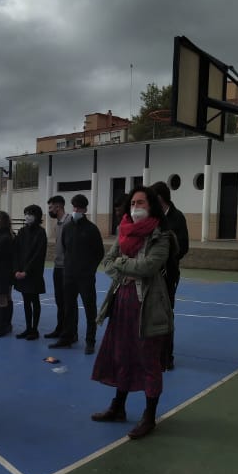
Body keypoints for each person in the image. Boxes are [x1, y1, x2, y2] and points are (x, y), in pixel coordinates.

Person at [89, 186, 175, 440]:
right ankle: (118, 407)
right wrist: (124, 267)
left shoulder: (162, 235)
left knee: (149, 361)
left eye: (141, 202)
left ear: (151, 205)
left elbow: (148, 267)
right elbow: (107, 261)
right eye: (133, 203)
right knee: (121, 356)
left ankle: (149, 416)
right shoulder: (124, 230)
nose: (135, 207)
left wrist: (122, 264)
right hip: (122, 301)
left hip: (147, 305)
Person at [49, 194, 105, 354]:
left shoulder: (92, 229)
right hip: (69, 276)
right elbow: (65, 248)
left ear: (85, 209)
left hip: (85, 277)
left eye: (79, 208)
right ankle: (67, 337)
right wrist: (68, 268)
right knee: (68, 308)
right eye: (74, 207)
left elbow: (99, 253)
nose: (76, 210)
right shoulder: (67, 228)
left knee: (89, 309)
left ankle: (90, 341)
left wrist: (90, 270)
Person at [148, 183, 188, 370]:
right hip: (151, 274)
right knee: (150, 314)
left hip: (168, 275)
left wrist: (166, 258)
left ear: (160, 198)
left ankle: (167, 356)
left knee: (166, 314)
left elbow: (184, 247)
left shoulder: (177, 217)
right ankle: (151, 353)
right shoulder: (152, 217)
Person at [12, 205, 47, 340]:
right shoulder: (22, 231)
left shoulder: (41, 233)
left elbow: (38, 255)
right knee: (26, 301)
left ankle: (34, 329)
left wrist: (26, 271)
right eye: (26, 213)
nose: (27, 216)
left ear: (37, 216)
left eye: (30, 214)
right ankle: (28, 328)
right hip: (21, 273)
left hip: (34, 274)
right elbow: (16, 251)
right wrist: (16, 270)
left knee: (34, 300)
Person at [43, 196, 70, 341]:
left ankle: (69, 332)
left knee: (67, 302)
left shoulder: (69, 222)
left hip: (67, 268)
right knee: (59, 301)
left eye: (50, 207)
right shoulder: (57, 224)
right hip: (57, 267)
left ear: (58, 207)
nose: (49, 210)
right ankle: (60, 328)